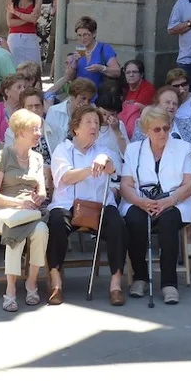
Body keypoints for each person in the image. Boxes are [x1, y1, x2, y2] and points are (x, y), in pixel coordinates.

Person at [47, 106, 127, 305]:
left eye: (97, 123)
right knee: (56, 222)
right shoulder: (62, 149)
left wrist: (105, 161)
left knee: (117, 225)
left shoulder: (103, 150)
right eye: (88, 122)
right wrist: (91, 169)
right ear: (76, 128)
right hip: (68, 205)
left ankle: (116, 284)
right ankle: (56, 282)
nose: (93, 126)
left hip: (99, 205)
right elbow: (66, 177)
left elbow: (113, 168)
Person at [120, 105, 191, 305]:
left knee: (168, 221)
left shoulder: (183, 148)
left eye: (166, 127)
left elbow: (190, 184)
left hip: (174, 201)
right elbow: (125, 185)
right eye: (157, 129)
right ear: (146, 130)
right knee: (134, 220)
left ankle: (169, 283)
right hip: (142, 201)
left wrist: (170, 200)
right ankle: (140, 277)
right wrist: (139, 201)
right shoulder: (133, 150)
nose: (163, 133)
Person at [0, 108, 48, 311]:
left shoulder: (37, 158)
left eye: (39, 129)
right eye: (35, 129)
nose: (39, 133)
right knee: (16, 233)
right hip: (3, 209)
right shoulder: (3, 155)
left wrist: (39, 196)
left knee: (41, 230)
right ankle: (11, 288)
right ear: (21, 132)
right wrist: (18, 203)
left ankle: (31, 281)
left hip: (28, 211)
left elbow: (41, 190)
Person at [133, 85, 191, 155]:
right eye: (167, 102)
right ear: (157, 104)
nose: (171, 106)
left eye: (175, 104)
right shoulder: (144, 122)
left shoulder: (188, 125)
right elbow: (136, 150)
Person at [69, 16, 120, 90]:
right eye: (79, 35)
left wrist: (101, 68)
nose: (82, 38)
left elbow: (117, 72)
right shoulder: (78, 52)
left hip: (100, 94)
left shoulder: (104, 49)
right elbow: (69, 78)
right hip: (81, 94)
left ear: (94, 34)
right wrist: (74, 63)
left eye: (85, 34)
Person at [46, 77, 96, 151]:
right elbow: (49, 139)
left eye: (89, 100)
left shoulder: (92, 112)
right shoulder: (54, 111)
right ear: (72, 96)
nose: (86, 103)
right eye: (83, 98)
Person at [5, 0, 42, 65]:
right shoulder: (12, 1)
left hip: (31, 37)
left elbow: (34, 19)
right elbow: (10, 23)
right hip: (15, 38)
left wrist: (15, 12)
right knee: (14, 67)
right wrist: (28, 18)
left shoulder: (37, 0)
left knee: (34, 66)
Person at [0, 72, 27, 142]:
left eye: (24, 87)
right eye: (19, 87)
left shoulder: (26, 109)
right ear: (7, 92)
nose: (23, 90)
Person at [117, 59, 154, 137]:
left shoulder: (148, 89)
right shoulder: (124, 88)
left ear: (141, 74)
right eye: (128, 72)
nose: (131, 75)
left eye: (134, 72)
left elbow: (134, 111)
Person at [92, 88, 129, 157]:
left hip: (114, 161)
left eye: (112, 115)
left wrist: (117, 131)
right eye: (104, 114)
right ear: (97, 109)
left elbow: (127, 153)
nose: (106, 119)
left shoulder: (119, 125)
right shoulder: (90, 124)